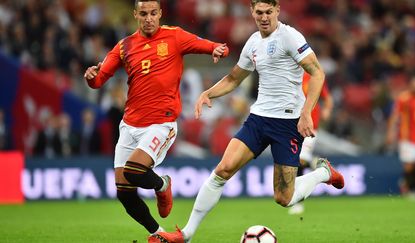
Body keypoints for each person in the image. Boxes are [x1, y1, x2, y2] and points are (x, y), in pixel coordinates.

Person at [152, 1, 344, 242]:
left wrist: (306, 113)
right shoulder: (253, 42)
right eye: (259, 13)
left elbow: (317, 73)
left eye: (268, 12)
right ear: (252, 12)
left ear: (277, 11)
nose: (264, 17)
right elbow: (234, 78)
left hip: (288, 123)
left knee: (284, 198)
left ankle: (322, 173)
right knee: (222, 170)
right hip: (259, 119)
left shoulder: (290, 37)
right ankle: (186, 234)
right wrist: (208, 93)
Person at [83, 0, 229, 241]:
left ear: (160, 13)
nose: (149, 18)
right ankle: (158, 234)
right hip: (130, 125)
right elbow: (99, 80)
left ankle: (162, 185)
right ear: (135, 15)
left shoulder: (175, 37)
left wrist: (217, 49)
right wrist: (90, 77)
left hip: (161, 123)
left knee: (134, 170)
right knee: (124, 193)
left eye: (153, 13)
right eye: (143, 14)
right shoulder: (124, 46)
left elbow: (208, 45)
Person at [289, 72, 334, 215]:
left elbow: (327, 99)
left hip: (310, 125)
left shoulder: (314, 76)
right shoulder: (289, 74)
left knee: (300, 160)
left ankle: (298, 202)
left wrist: (326, 110)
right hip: (291, 124)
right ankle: (316, 164)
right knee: (294, 161)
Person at [386, 74, 415, 198]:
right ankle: (406, 187)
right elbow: (395, 116)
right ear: (411, 84)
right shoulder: (403, 98)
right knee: (409, 166)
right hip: (406, 137)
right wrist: (390, 132)